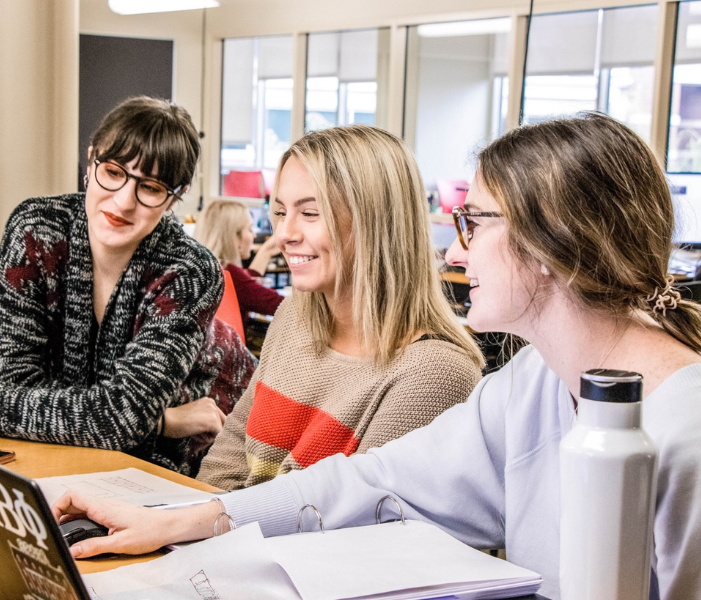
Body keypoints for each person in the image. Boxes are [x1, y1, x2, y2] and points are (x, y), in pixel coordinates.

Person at [50, 113, 701, 600]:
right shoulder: (533, 381)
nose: (454, 251)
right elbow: (372, 482)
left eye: (474, 224)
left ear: (553, 238)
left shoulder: (687, 433)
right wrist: (184, 520)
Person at [0, 96, 256, 475]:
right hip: (116, 452)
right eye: (114, 172)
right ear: (91, 162)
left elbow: (121, 419)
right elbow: (19, 380)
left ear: (173, 198)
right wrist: (161, 420)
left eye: (150, 187)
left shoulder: (190, 270)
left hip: (223, 446)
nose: (122, 201)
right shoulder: (36, 229)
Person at [192, 125, 482, 491]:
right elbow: (233, 446)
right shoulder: (295, 317)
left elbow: (345, 520)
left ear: (375, 223)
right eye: (281, 212)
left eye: (310, 213)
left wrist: (213, 525)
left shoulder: (435, 372)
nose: (284, 233)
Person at [193, 199, 284, 323]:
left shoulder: (205, 268)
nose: (254, 236)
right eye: (250, 229)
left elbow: (246, 286)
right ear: (234, 236)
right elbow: (277, 304)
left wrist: (266, 251)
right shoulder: (228, 273)